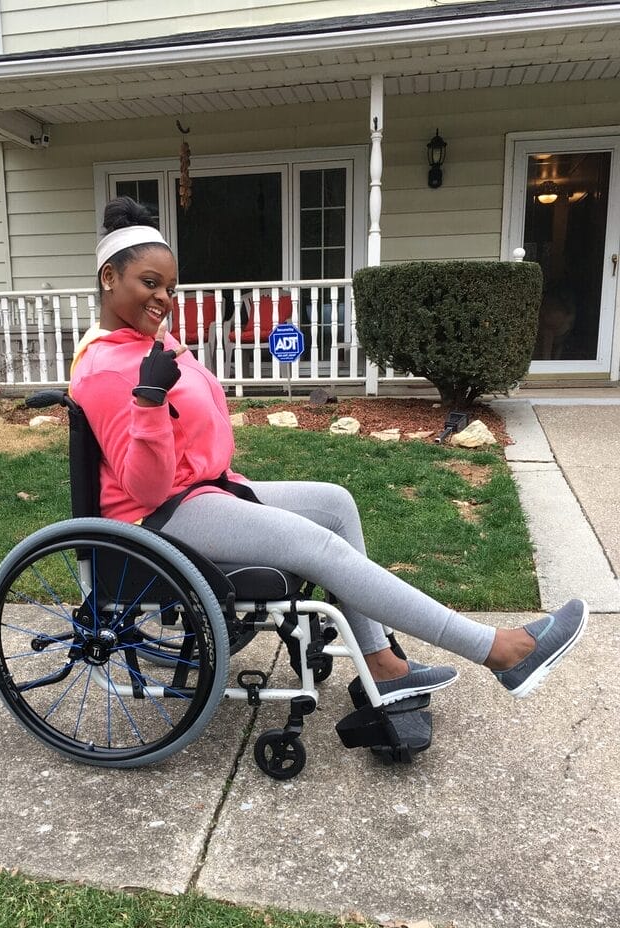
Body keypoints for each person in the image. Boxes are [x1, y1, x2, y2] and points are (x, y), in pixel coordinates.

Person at [69, 197, 588, 704]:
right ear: (109, 278)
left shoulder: (149, 346)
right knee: (319, 548)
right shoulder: (109, 368)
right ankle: (498, 650)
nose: (164, 299)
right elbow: (146, 486)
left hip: (203, 490)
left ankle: (382, 664)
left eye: (170, 288)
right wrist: (149, 402)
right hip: (159, 516)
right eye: (150, 284)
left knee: (334, 502)